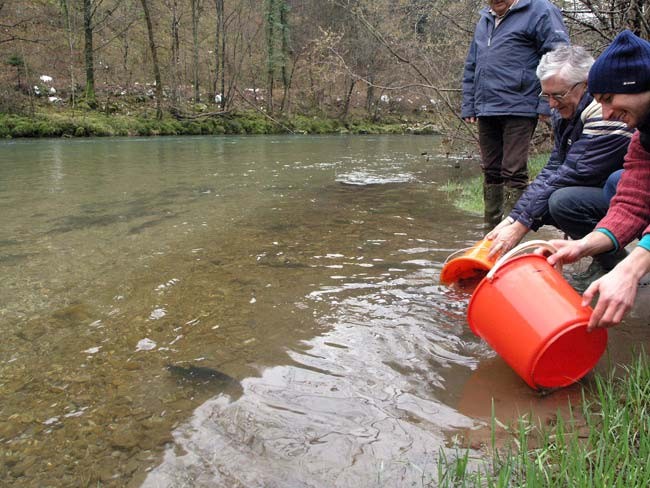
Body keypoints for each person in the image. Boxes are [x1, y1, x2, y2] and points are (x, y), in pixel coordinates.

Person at [485, 44, 633, 278]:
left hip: (625, 192)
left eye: (558, 95)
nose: (551, 104)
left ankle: (614, 262)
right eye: (547, 95)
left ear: (586, 84)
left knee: (562, 202)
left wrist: (521, 227)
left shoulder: (603, 112)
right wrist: (514, 217)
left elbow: (573, 173)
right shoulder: (565, 110)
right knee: (550, 199)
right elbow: (554, 167)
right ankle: (604, 256)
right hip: (605, 187)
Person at [545, 30, 650, 331]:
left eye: (608, 99)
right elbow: (632, 202)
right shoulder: (643, 138)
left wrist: (631, 269)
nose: (605, 114)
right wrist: (586, 244)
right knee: (620, 181)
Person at [461, 0, 569, 226]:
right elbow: (473, 63)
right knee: (491, 170)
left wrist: (545, 102)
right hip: (486, 106)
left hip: (521, 105)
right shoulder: (485, 19)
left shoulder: (540, 10)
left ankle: (511, 234)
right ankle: (490, 232)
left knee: (513, 170)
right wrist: (469, 103)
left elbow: (558, 56)